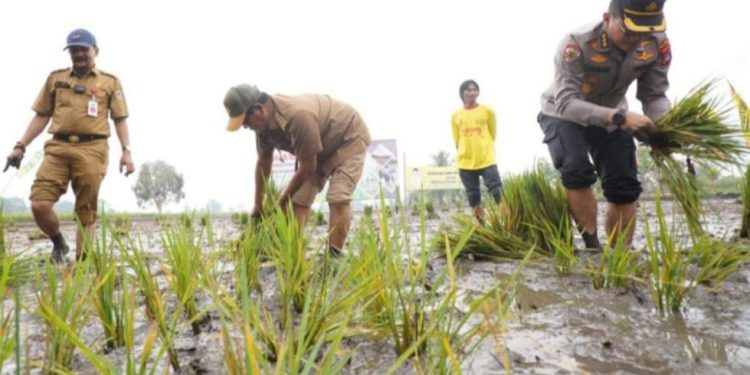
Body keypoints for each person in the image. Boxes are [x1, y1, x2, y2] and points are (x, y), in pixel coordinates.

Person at [538, 0, 670, 249]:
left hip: (613, 113)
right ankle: (592, 247)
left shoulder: (657, 44)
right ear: (608, 19)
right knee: (576, 168)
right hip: (563, 112)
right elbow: (567, 103)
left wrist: (667, 127)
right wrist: (619, 118)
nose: (636, 39)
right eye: (629, 31)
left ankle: (619, 255)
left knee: (624, 184)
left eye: (645, 32)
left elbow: (654, 96)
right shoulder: (576, 43)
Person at [3, 28, 134, 262]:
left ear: (96, 51)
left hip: (93, 149)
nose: (79, 55)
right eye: (74, 50)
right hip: (58, 148)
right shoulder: (56, 79)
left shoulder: (109, 82)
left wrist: (126, 151)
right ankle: (59, 243)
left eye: (84, 49)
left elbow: (120, 119)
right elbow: (42, 115)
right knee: (39, 204)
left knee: (85, 210)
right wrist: (20, 146)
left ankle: (83, 264)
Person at [223, 84, 371, 256]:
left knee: (338, 197)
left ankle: (334, 258)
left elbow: (308, 167)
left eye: (246, 123)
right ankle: (287, 252)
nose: (247, 128)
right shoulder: (263, 130)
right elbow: (263, 162)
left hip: (347, 138)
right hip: (316, 150)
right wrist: (257, 205)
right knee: (298, 201)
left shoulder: (298, 116)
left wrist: (280, 201)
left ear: (259, 109)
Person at [451, 79, 502, 221]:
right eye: (468, 90)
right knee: (473, 196)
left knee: (497, 190)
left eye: (474, 89)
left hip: (486, 159)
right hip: (465, 162)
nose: (472, 92)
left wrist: (483, 146)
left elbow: (493, 133)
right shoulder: (455, 115)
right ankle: (481, 226)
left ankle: (508, 221)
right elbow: (457, 139)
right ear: (462, 93)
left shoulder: (487, 111)